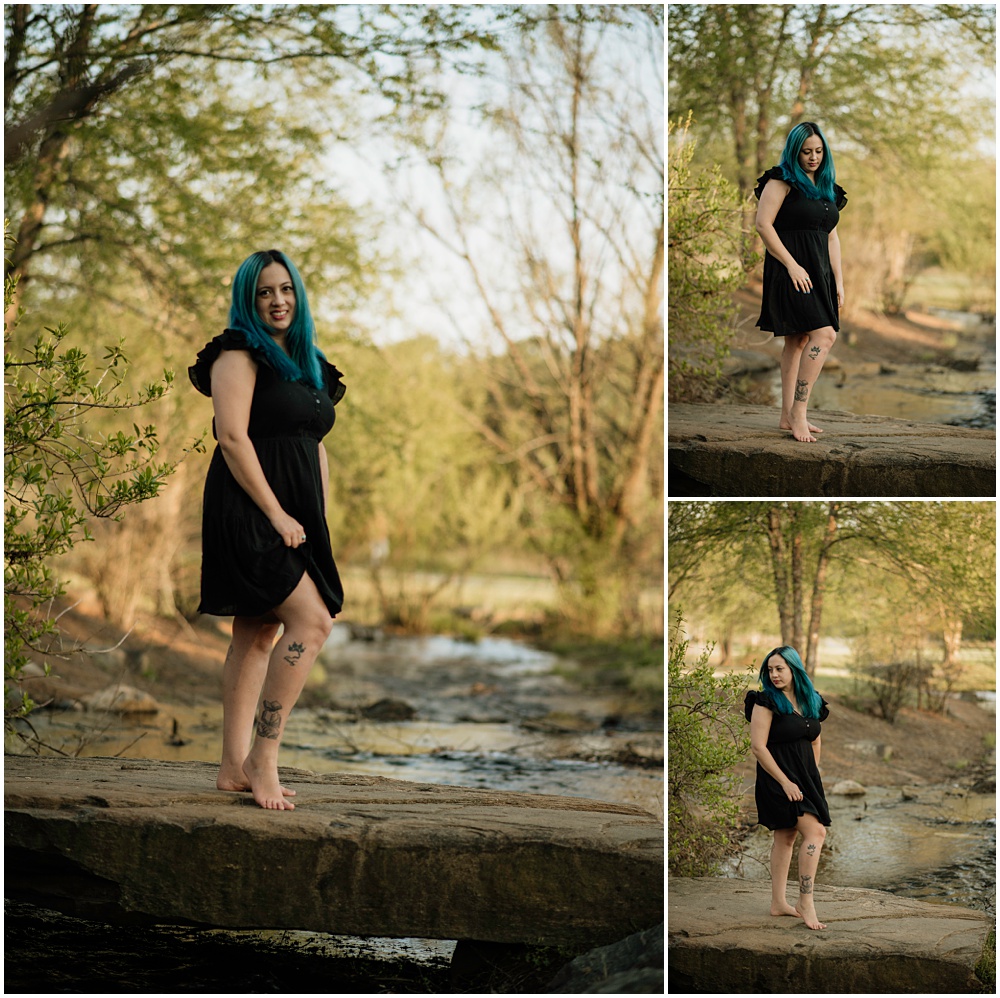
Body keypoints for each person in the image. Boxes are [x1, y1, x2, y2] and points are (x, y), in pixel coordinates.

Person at [189, 249, 346, 810]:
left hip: (299, 516)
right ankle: (264, 757)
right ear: (248, 300)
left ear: (298, 295)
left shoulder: (311, 365)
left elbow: (313, 447)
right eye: (264, 293)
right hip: (250, 508)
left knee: (255, 633)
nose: (277, 301)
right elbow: (232, 438)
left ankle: (231, 768)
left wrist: (315, 517)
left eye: (285, 290)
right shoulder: (238, 352)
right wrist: (277, 513)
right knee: (313, 621)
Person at [754, 121, 847, 443]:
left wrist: (839, 280)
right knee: (825, 335)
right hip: (789, 270)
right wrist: (792, 266)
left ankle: (785, 415)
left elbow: (831, 237)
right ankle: (799, 412)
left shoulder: (828, 188)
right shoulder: (781, 181)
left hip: (819, 273)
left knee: (796, 340)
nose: (813, 157)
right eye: (806, 151)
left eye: (819, 151)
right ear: (795, 151)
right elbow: (763, 225)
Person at [744, 646, 831, 930]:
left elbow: (815, 739)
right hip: (777, 779)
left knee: (786, 837)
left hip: (804, 780)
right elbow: (758, 747)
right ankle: (805, 901)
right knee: (816, 832)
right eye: (770, 669)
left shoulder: (811, 701)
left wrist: (813, 773)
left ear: (794, 669)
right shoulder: (766, 700)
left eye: (780, 668)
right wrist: (785, 781)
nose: (774, 674)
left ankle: (778, 903)